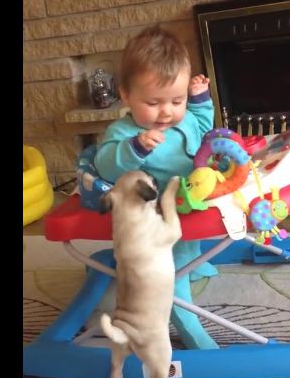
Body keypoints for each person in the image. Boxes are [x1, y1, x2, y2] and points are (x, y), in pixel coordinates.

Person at [93, 26, 219, 350]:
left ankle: (193, 260)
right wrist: (134, 148)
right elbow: (105, 164)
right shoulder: (123, 131)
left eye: (177, 100)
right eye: (153, 102)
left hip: (193, 200)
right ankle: (190, 327)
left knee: (196, 239)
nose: (166, 112)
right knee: (169, 274)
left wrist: (201, 101)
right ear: (126, 95)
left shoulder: (184, 116)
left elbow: (203, 126)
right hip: (160, 220)